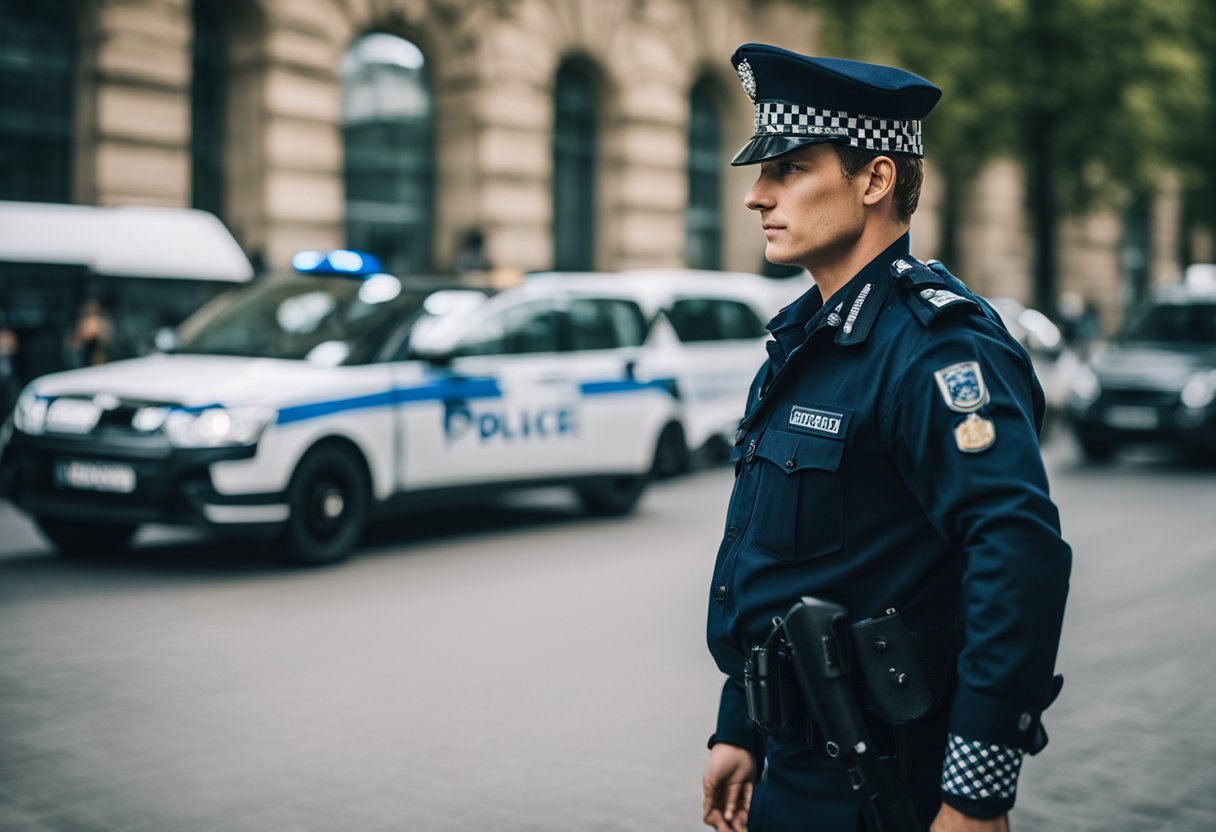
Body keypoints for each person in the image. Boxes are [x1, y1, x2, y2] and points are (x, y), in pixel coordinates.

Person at [701, 44, 1070, 832]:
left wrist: (976, 792)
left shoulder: (936, 348)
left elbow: (1016, 552)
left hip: (883, 785)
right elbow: (781, 563)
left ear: (873, 179)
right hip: (790, 764)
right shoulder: (809, 341)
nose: (757, 196)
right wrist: (741, 725)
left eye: (791, 168)